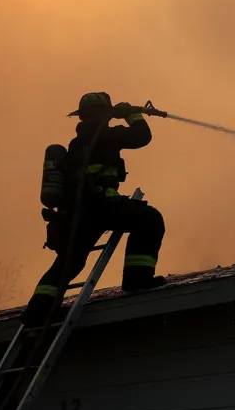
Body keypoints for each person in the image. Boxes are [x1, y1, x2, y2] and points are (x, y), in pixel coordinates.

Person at [20, 92, 167, 327]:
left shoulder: (77, 143)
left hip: (78, 214)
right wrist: (133, 114)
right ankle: (137, 279)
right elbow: (142, 137)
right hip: (103, 207)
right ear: (103, 115)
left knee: (70, 261)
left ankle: (38, 309)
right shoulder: (105, 136)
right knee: (150, 219)